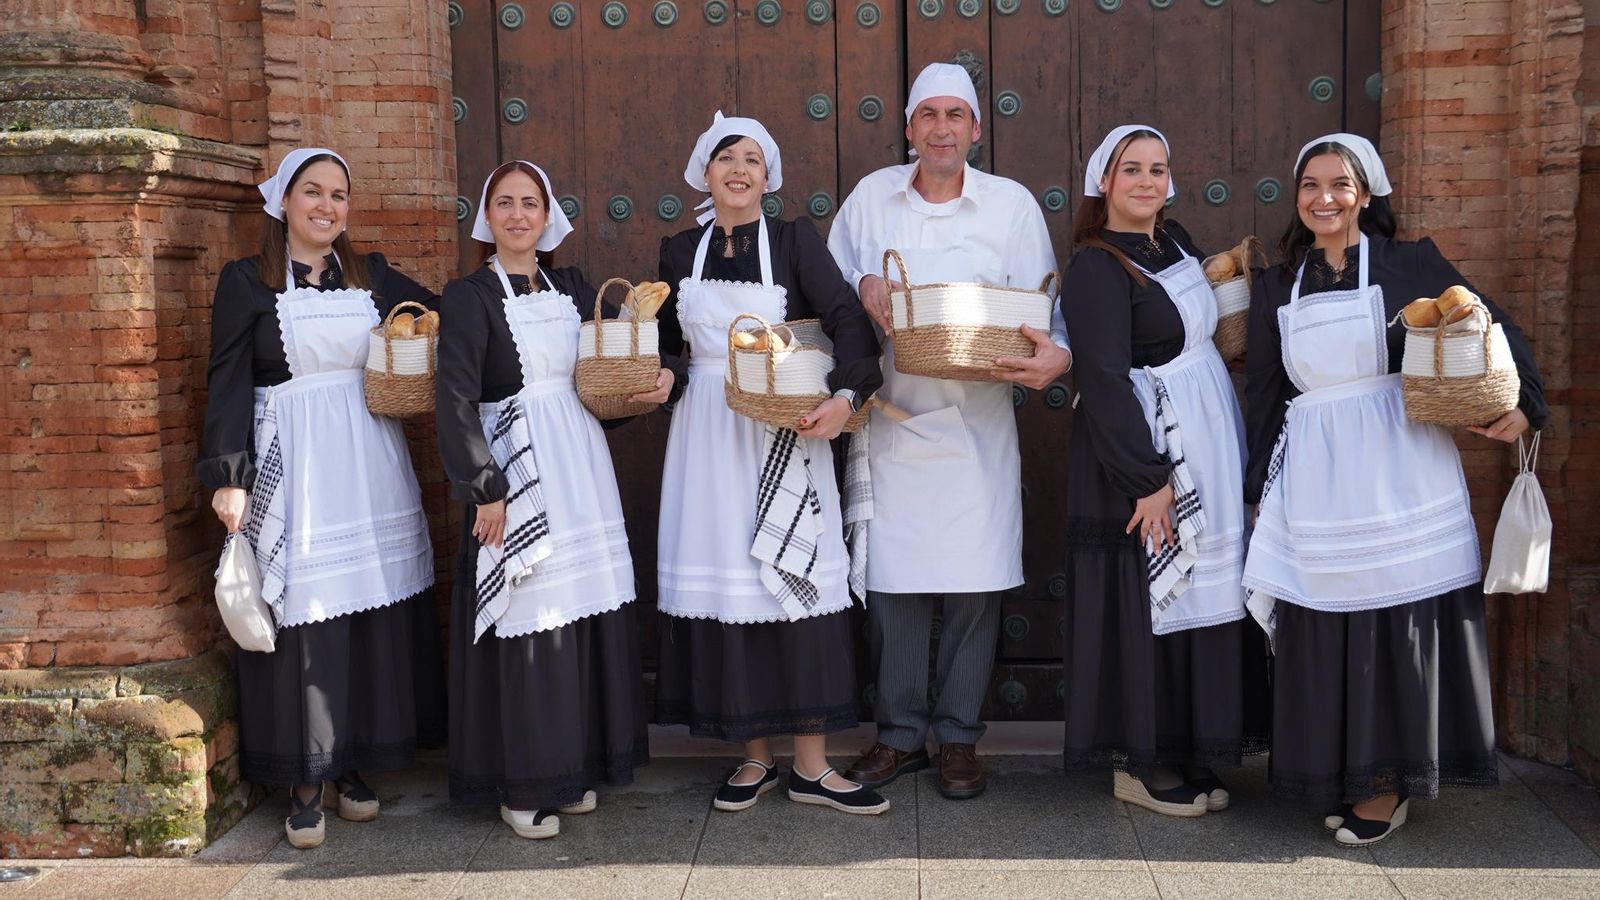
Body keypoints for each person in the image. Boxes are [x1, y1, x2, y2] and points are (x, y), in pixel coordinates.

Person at [1243, 133, 1548, 845]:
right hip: (1316, 466)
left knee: (1395, 618)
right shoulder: (1276, 284)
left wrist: (1526, 402)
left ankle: (1388, 786)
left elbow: (1494, 325)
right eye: (1310, 185)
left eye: (1340, 185)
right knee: (1327, 618)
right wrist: (1259, 485)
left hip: (1400, 460)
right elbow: (1263, 391)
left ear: (1366, 194)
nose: (1324, 198)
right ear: (1298, 197)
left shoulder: (1412, 263)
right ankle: (1345, 771)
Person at [826, 63, 1069, 800]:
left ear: (975, 129)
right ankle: (897, 735)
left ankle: (960, 737)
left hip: (977, 424)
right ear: (908, 128)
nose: (940, 128)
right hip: (895, 420)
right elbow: (832, 297)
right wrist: (864, 287)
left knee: (974, 585)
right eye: (927, 114)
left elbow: (1040, 309)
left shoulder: (1011, 206)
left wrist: (1052, 356)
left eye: (954, 115)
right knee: (894, 584)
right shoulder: (873, 198)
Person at [198, 147, 442, 849]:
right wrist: (227, 475)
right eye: (314, 193)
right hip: (293, 464)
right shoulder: (246, 283)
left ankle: (353, 762)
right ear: (284, 203)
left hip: (369, 459)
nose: (328, 206)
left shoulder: (373, 276)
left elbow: (446, 312)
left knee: (368, 608)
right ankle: (307, 780)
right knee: (304, 613)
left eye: (339, 195)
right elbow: (228, 384)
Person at [654, 111, 887, 815]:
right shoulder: (676, 252)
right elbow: (665, 342)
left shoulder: (792, 241)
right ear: (705, 171)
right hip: (706, 438)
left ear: (768, 176)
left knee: (799, 579)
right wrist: (662, 373)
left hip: (785, 428)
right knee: (732, 587)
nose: (740, 169)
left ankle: (813, 765)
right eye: (727, 156)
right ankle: (753, 755)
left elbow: (847, 316)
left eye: (754, 159)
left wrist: (848, 395)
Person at [435, 160, 658, 840]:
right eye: (504, 203)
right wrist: (484, 488)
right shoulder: (469, 296)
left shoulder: (573, 287)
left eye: (530, 203)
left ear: (548, 216)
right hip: (517, 470)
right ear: (487, 217)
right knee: (532, 618)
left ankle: (572, 768)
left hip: (581, 465)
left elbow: (595, 384)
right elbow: (455, 399)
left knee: (578, 615)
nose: (518, 214)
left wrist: (638, 394)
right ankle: (525, 784)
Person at [1058, 125, 1268, 817]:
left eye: (1157, 168)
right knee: (1148, 598)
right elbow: (1105, 378)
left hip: (1206, 433)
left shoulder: (1173, 240)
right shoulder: (1094, 265)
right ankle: (1138, 764)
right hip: (1144, 451)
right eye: (1131, 170)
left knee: (1196, 594)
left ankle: (1183, 748)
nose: (1147, 181)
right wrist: (1147, 479)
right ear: (1104, 182)